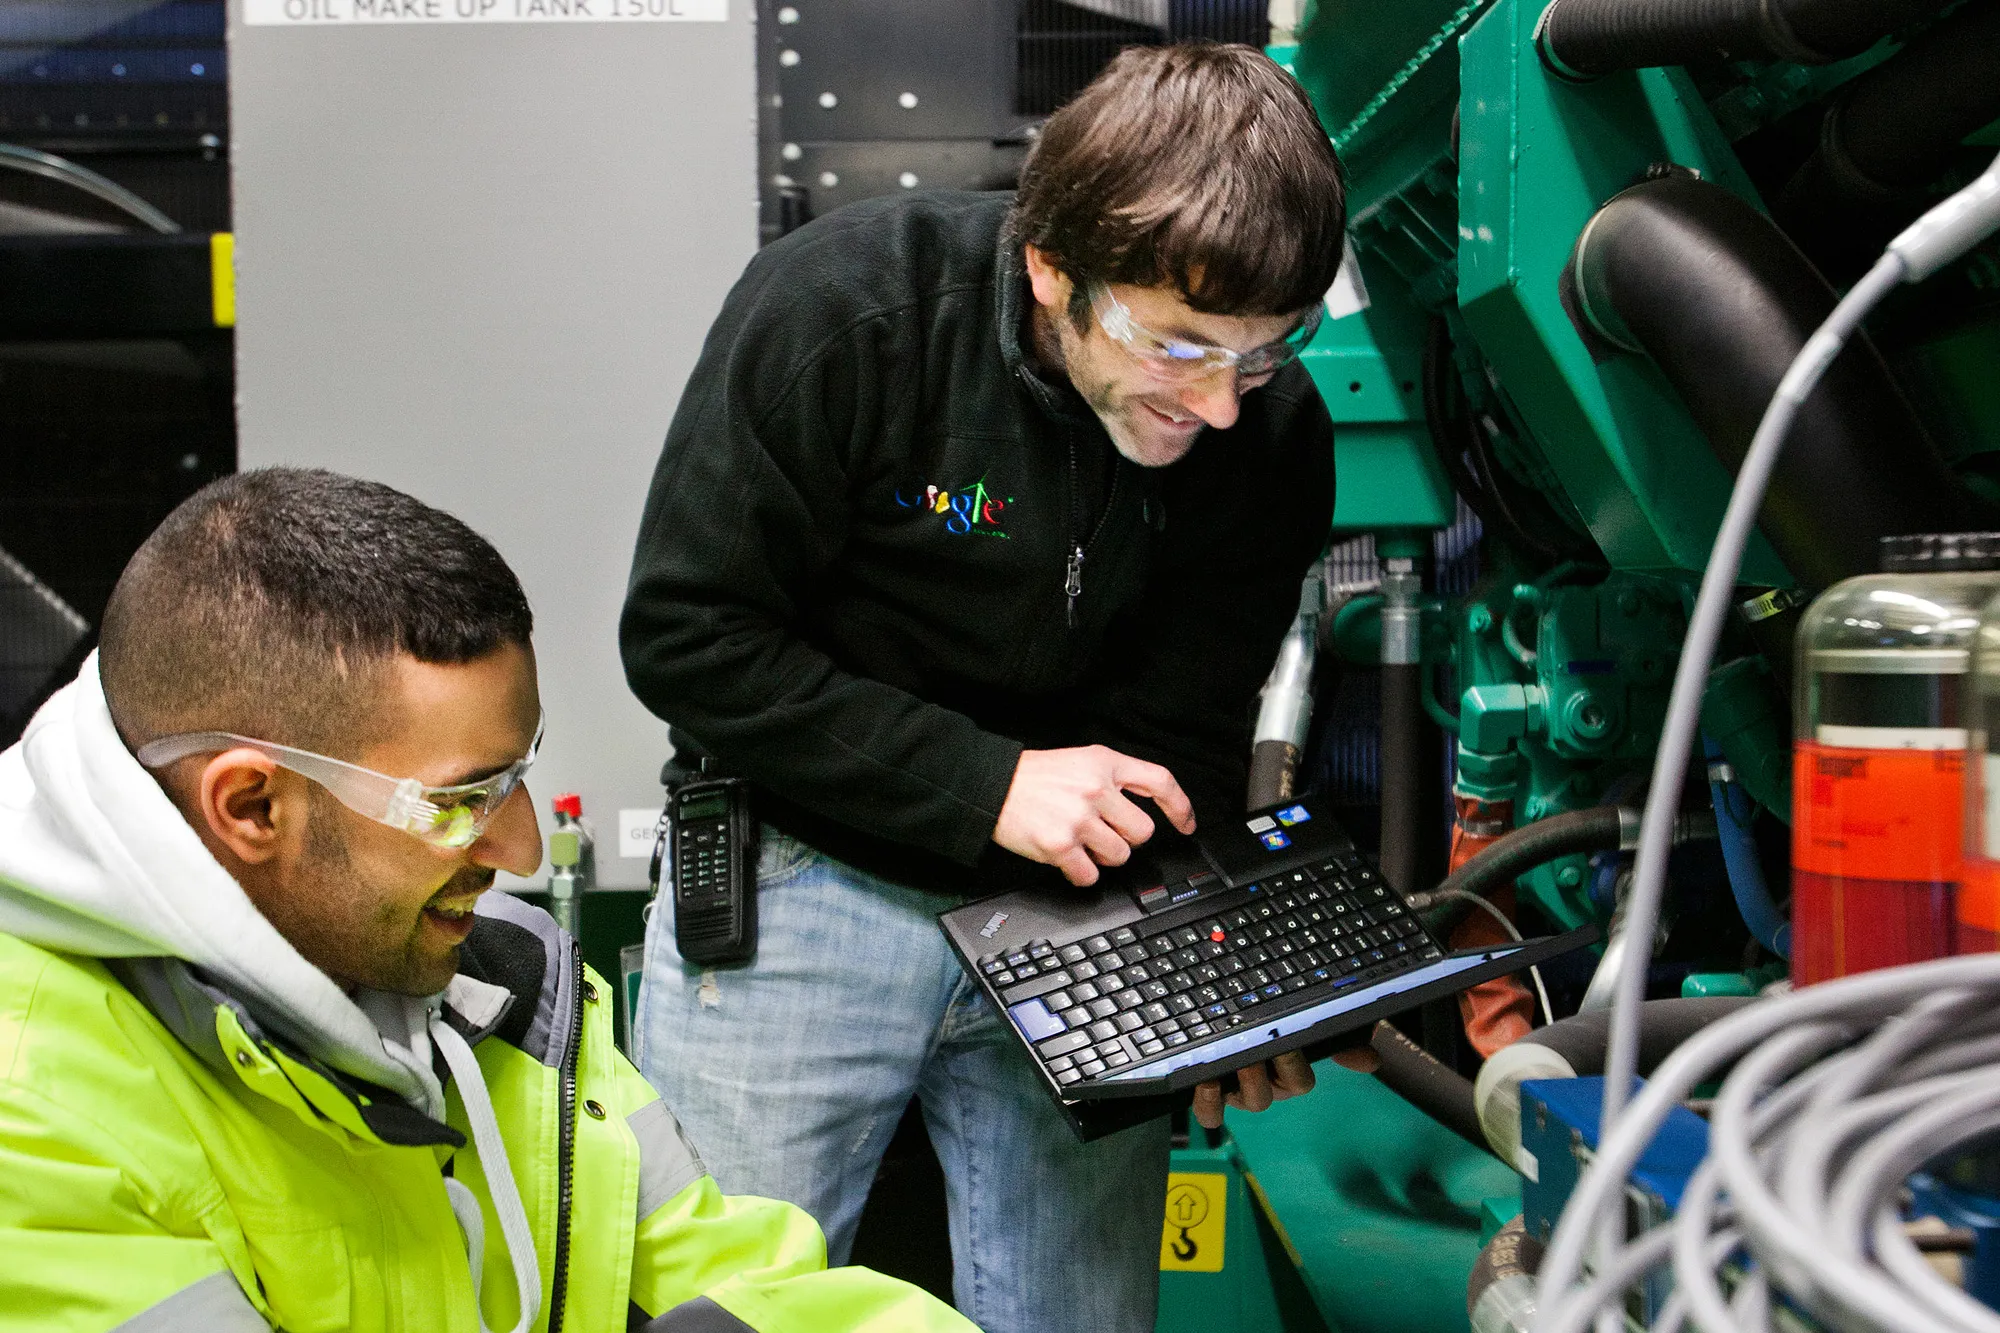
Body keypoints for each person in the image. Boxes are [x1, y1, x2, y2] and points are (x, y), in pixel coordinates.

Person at [621, 42, 1347, 1332]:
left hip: (1075, 912)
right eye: (1177, 346)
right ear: (1048, 267)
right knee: (729, 1310)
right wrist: (987, 783)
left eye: (1259, 353)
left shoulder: (1267, 434)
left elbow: (1180, 732)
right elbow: (690, 635)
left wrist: (1210, 969)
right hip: (806, 875)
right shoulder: (847, 311)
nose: (1222, 406)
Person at [0, 467, 975, 1333]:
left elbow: (732, 1277)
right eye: (459, 800)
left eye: (516, 777)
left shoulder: (503, 989)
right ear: (253, 803)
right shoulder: (32, 1108)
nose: (514, 849)